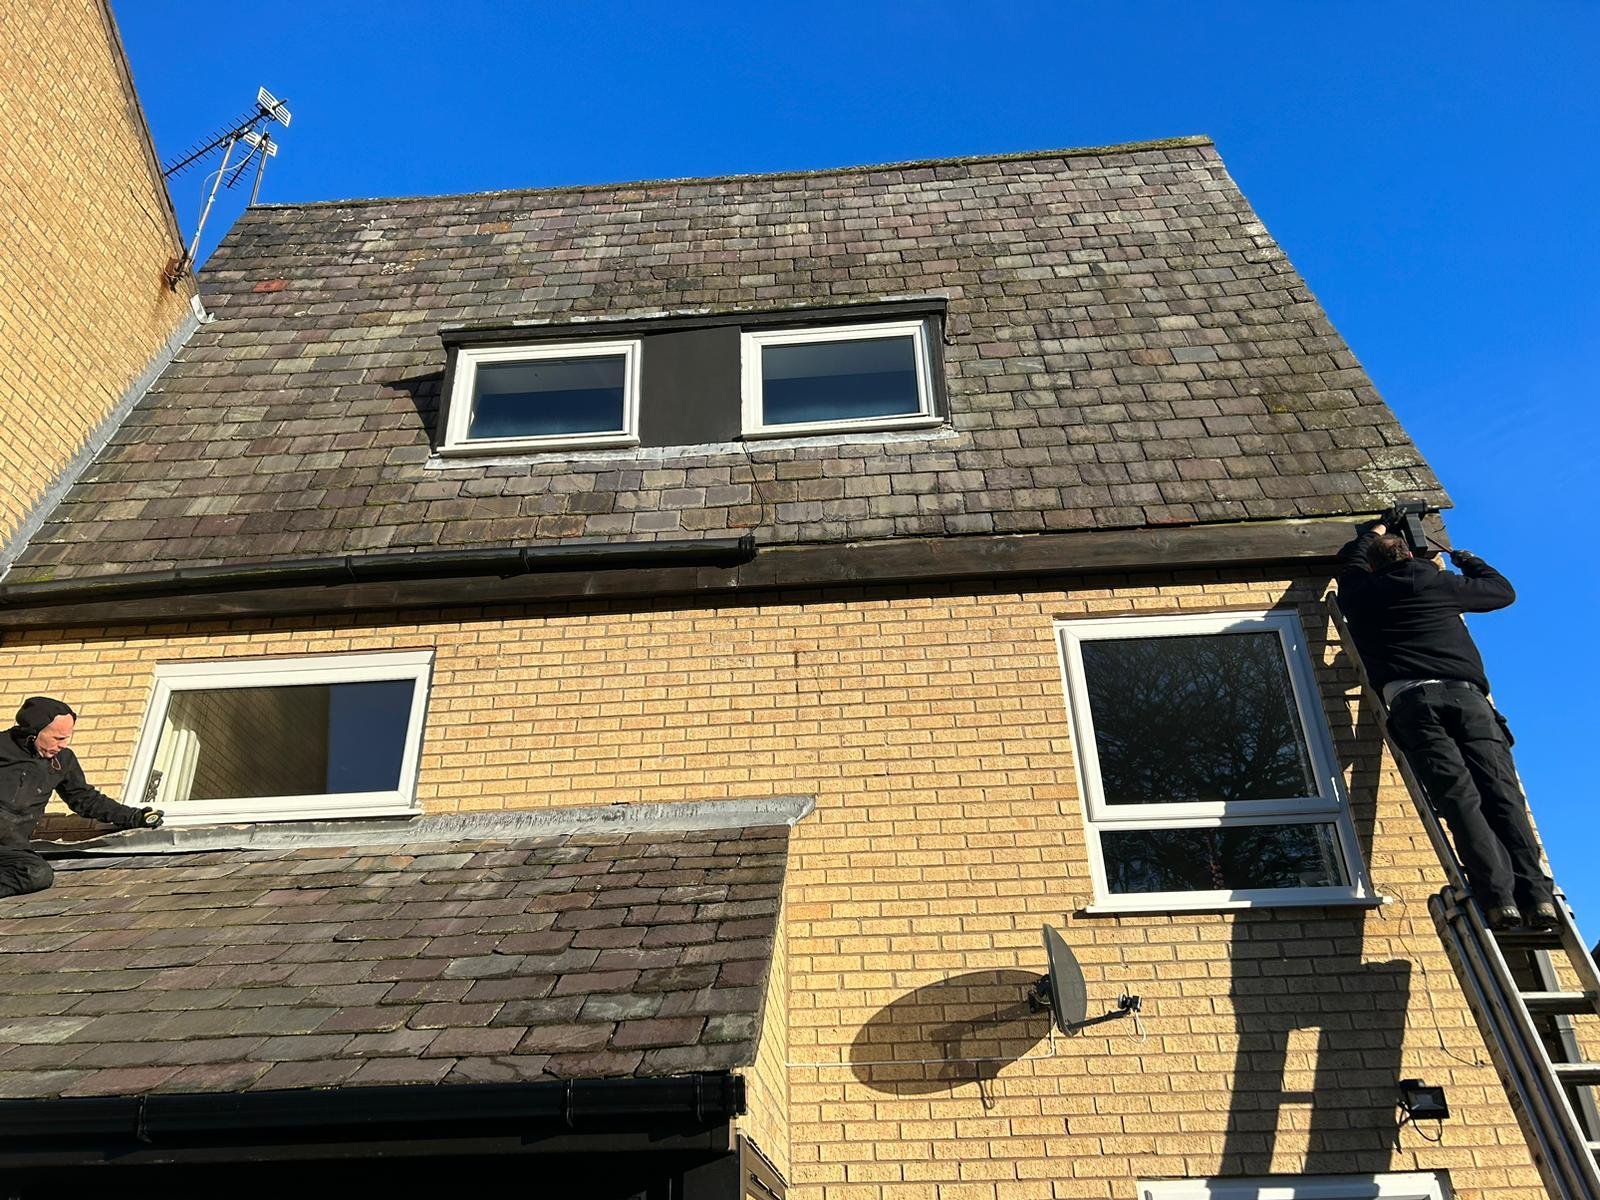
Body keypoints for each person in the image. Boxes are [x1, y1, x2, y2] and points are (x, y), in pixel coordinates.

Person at [1337, 521, 1555, 931]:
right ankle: (1539, 898)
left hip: (1414, 703)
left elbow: (1349, 566)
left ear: (1373, 564)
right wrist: (1466, 559)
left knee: (1459, 798)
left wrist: (1369, 534)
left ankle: (1499, 901)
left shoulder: (1363, 594)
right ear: (1409, 554)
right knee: (1502, 795)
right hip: (1468, 700)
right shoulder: (1442, 584)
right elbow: (1501, 591)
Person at [0, 696, 163, 899]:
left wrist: (134, 817)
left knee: (37, 873)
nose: (64, 744)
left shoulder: (63, 761)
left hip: (9, 850)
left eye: (67, 738)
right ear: (33, 732)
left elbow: (85, 799)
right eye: (58, 738)